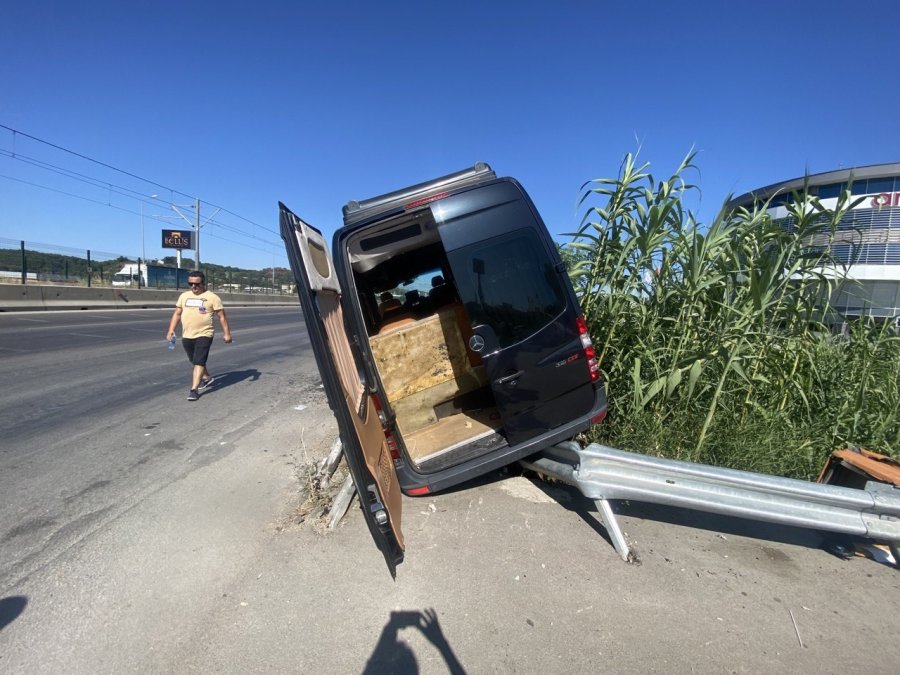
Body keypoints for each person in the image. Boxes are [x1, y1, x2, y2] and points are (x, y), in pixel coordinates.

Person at [166, 270, 232, 401]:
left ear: (203, 283)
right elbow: (177, 314)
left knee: (199, 360)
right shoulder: (184, 296)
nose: (193, 287)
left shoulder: (212, 297)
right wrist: (171, 330)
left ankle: (194, 389)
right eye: (190, 284)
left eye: (196, 284)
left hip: (205, 333)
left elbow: (222, 316)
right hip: (187, 334)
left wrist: (227, 333)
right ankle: (207, 377)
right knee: (194, 360)